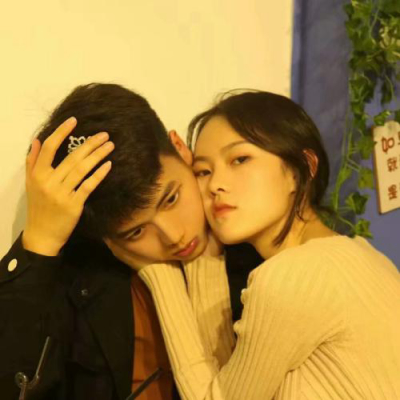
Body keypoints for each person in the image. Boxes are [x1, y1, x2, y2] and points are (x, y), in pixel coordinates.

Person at [130, 91, 400, 399]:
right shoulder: (364, 255)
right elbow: (226, 384)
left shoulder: (289, 279)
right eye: (204, 171)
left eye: (240, 159)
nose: (215, 184)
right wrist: (204, 255)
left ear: (303, 167)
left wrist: (158, 270)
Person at [0, 84, 261, 400]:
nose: (173, 235)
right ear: (106, 238)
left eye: (171, 199)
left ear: (180, 148)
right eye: (136, 232)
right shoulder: (83, 279)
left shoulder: (255, 244)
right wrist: (40, 242)